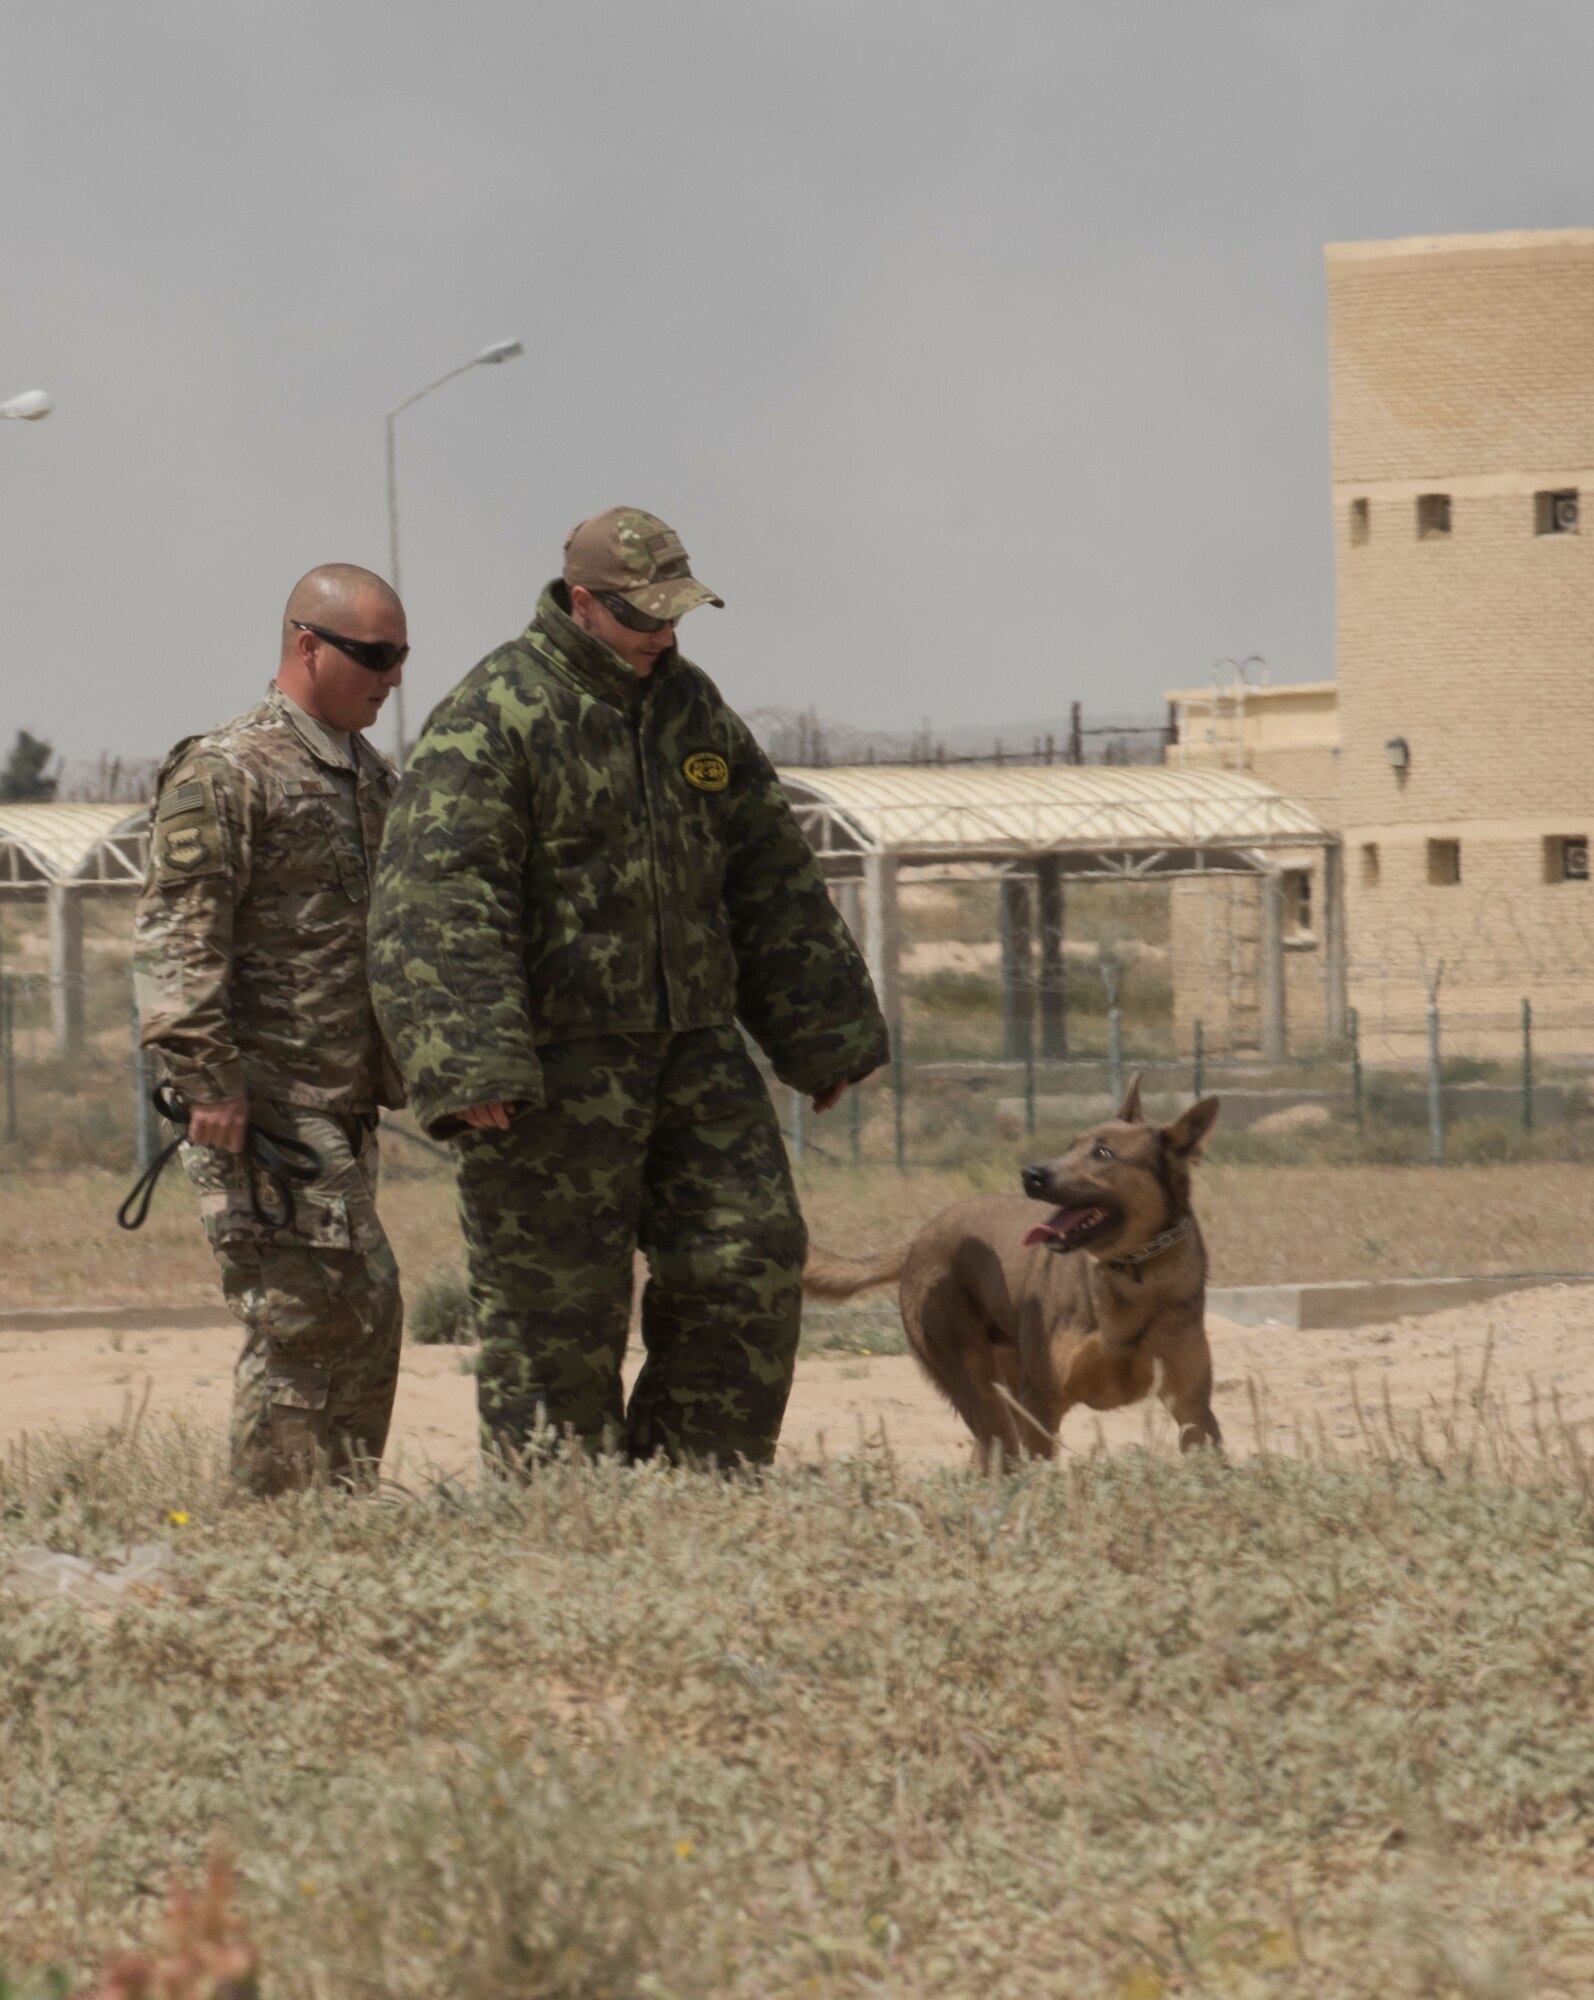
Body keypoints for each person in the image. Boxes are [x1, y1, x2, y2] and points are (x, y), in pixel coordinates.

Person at [368, 506, 888, 1467]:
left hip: (695, 1053)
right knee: (556, 1310)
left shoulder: (694, 710)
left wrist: (823, 1033)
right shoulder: (495, 715)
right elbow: (436, 898)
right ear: (580, 603)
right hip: (549, 1075)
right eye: (643, 615)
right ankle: (563, 1514)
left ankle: (699, 1488)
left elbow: (768, 873)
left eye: (675, 614)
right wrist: (472, 1062)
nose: (664, 634)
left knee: (750, 1258)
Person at [133, 564, 410, 1495]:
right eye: (373, 654)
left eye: (400, 656)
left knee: (362, 1314)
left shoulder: (370, 777)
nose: (391, 675)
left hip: (340, 1102)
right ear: (307, 646)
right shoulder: (227, 769)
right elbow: (180, 930)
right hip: (262, 1108)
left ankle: (336, 1515)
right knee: (306, 1319)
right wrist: (207, 1078)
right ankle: (273, 1531)